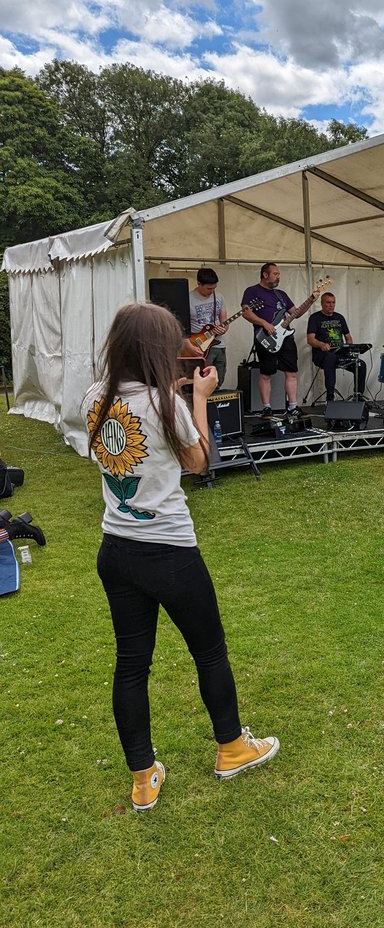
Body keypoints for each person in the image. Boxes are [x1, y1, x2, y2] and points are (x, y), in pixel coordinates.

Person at [83, 302, 279, 813]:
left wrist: (174, 396)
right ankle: (232, 748)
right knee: (209, 652)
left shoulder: (93, 400)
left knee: (131, 665)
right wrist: (197, 398)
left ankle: (143, 775)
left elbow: (122, 440)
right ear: (155, 349)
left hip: (116, 549)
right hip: (169, 550)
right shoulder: (163, 404)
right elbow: (199, 463)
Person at [241, 263, 302, 419]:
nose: (278, 277)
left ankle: (293, 406)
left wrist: (311, 300)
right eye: (275, 274)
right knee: (266, 373)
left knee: (291, 372)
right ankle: (266, 407)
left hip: (286, 337)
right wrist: (264, 323)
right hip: (265, 337)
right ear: (265, 274)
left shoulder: (281, 294)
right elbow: (246, 313)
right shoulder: (252, 291)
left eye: (278, 274)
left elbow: (295, 313)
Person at [306, 292, 366, 402]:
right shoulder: (315, 318)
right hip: (322, 355)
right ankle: (330, 396)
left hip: (341, 353)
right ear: (322, 303)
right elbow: (310, 339)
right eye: (328, 302)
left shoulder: (339, 317)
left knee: (361, 364)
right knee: (330, 358)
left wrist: (349, 348)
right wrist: (321, 344)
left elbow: (348, 337)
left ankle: (359, 395)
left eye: (333, 302)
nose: (331, 305)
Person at [189, 267, 228, 388]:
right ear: (199, 284)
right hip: (199, 345)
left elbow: (224, 322)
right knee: (203, 380)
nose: (211, 291)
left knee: (219, 379)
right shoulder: (188, 299)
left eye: (214, 288)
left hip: (219, 344)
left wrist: (224, 328)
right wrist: (188, 345)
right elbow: (180, 326)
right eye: (208, 288)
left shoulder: (219, 297)